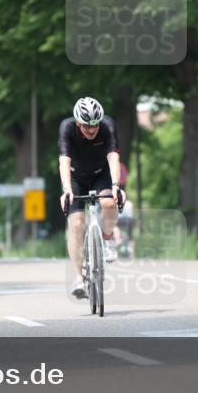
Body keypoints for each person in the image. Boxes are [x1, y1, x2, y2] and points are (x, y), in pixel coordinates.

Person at [58, 96, 125, 299]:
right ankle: (79, 278)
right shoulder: (67, 128)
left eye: (95, 125)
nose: (92, 129)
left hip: (101, 175)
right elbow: (63, 161)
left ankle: (106, 239)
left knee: (109, 202)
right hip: (75, 176)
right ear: (78, 123)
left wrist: (116, 186)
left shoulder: (107, 126)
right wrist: (66, 189)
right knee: (77, 223)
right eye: (86, 126)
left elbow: (113, 157)